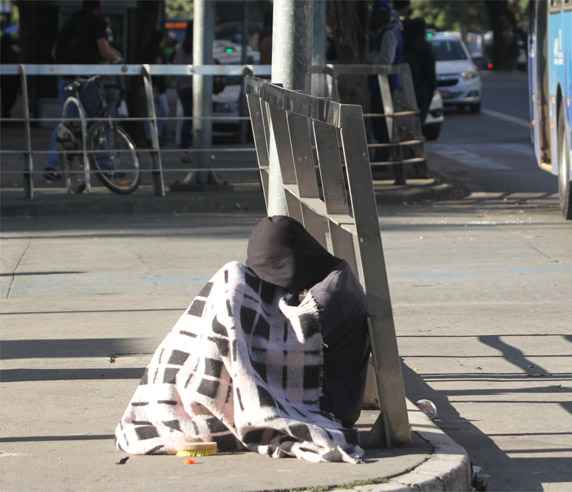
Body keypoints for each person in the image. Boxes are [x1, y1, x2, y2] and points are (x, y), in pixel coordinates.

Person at [115, 216, 369, 463]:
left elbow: (288, 344)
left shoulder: (332, 292)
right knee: (230, 288)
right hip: (298, 391)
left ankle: (198, 403)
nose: (265, 284)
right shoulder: (317, 277)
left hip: (323, 404)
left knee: (232, 290)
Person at [45, 0, 121, 181]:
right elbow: (104, 50)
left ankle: (52, 166)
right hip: (86, 79)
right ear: (99, 7)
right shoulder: (97, 21)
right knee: (99, 120)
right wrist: (118, 59)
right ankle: (106, 167)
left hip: (66, 78)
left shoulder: (72, 20)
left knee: (66, 123)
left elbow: (55, 51)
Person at [367, 0, 405, 184]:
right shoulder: (380, 32)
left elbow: (385, 62)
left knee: (385, 126)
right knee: (378, 124)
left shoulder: (389, 34)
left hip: (386, 86)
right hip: (378, 86)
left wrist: (366, 60)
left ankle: (384, 163)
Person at [402, 18, 436, 126]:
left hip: (406, 90)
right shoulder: (425, 47)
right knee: (418, 124)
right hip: (422, 91)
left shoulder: (404, 47)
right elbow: (431, 74)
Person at [173, 23, 194, 163]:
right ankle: (189, 149)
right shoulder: (198, 48)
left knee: (188, 118)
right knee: (193, 119)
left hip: (182, 87)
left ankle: (185, 149)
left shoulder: (181, 48)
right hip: (193, 86)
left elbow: (176, 67)